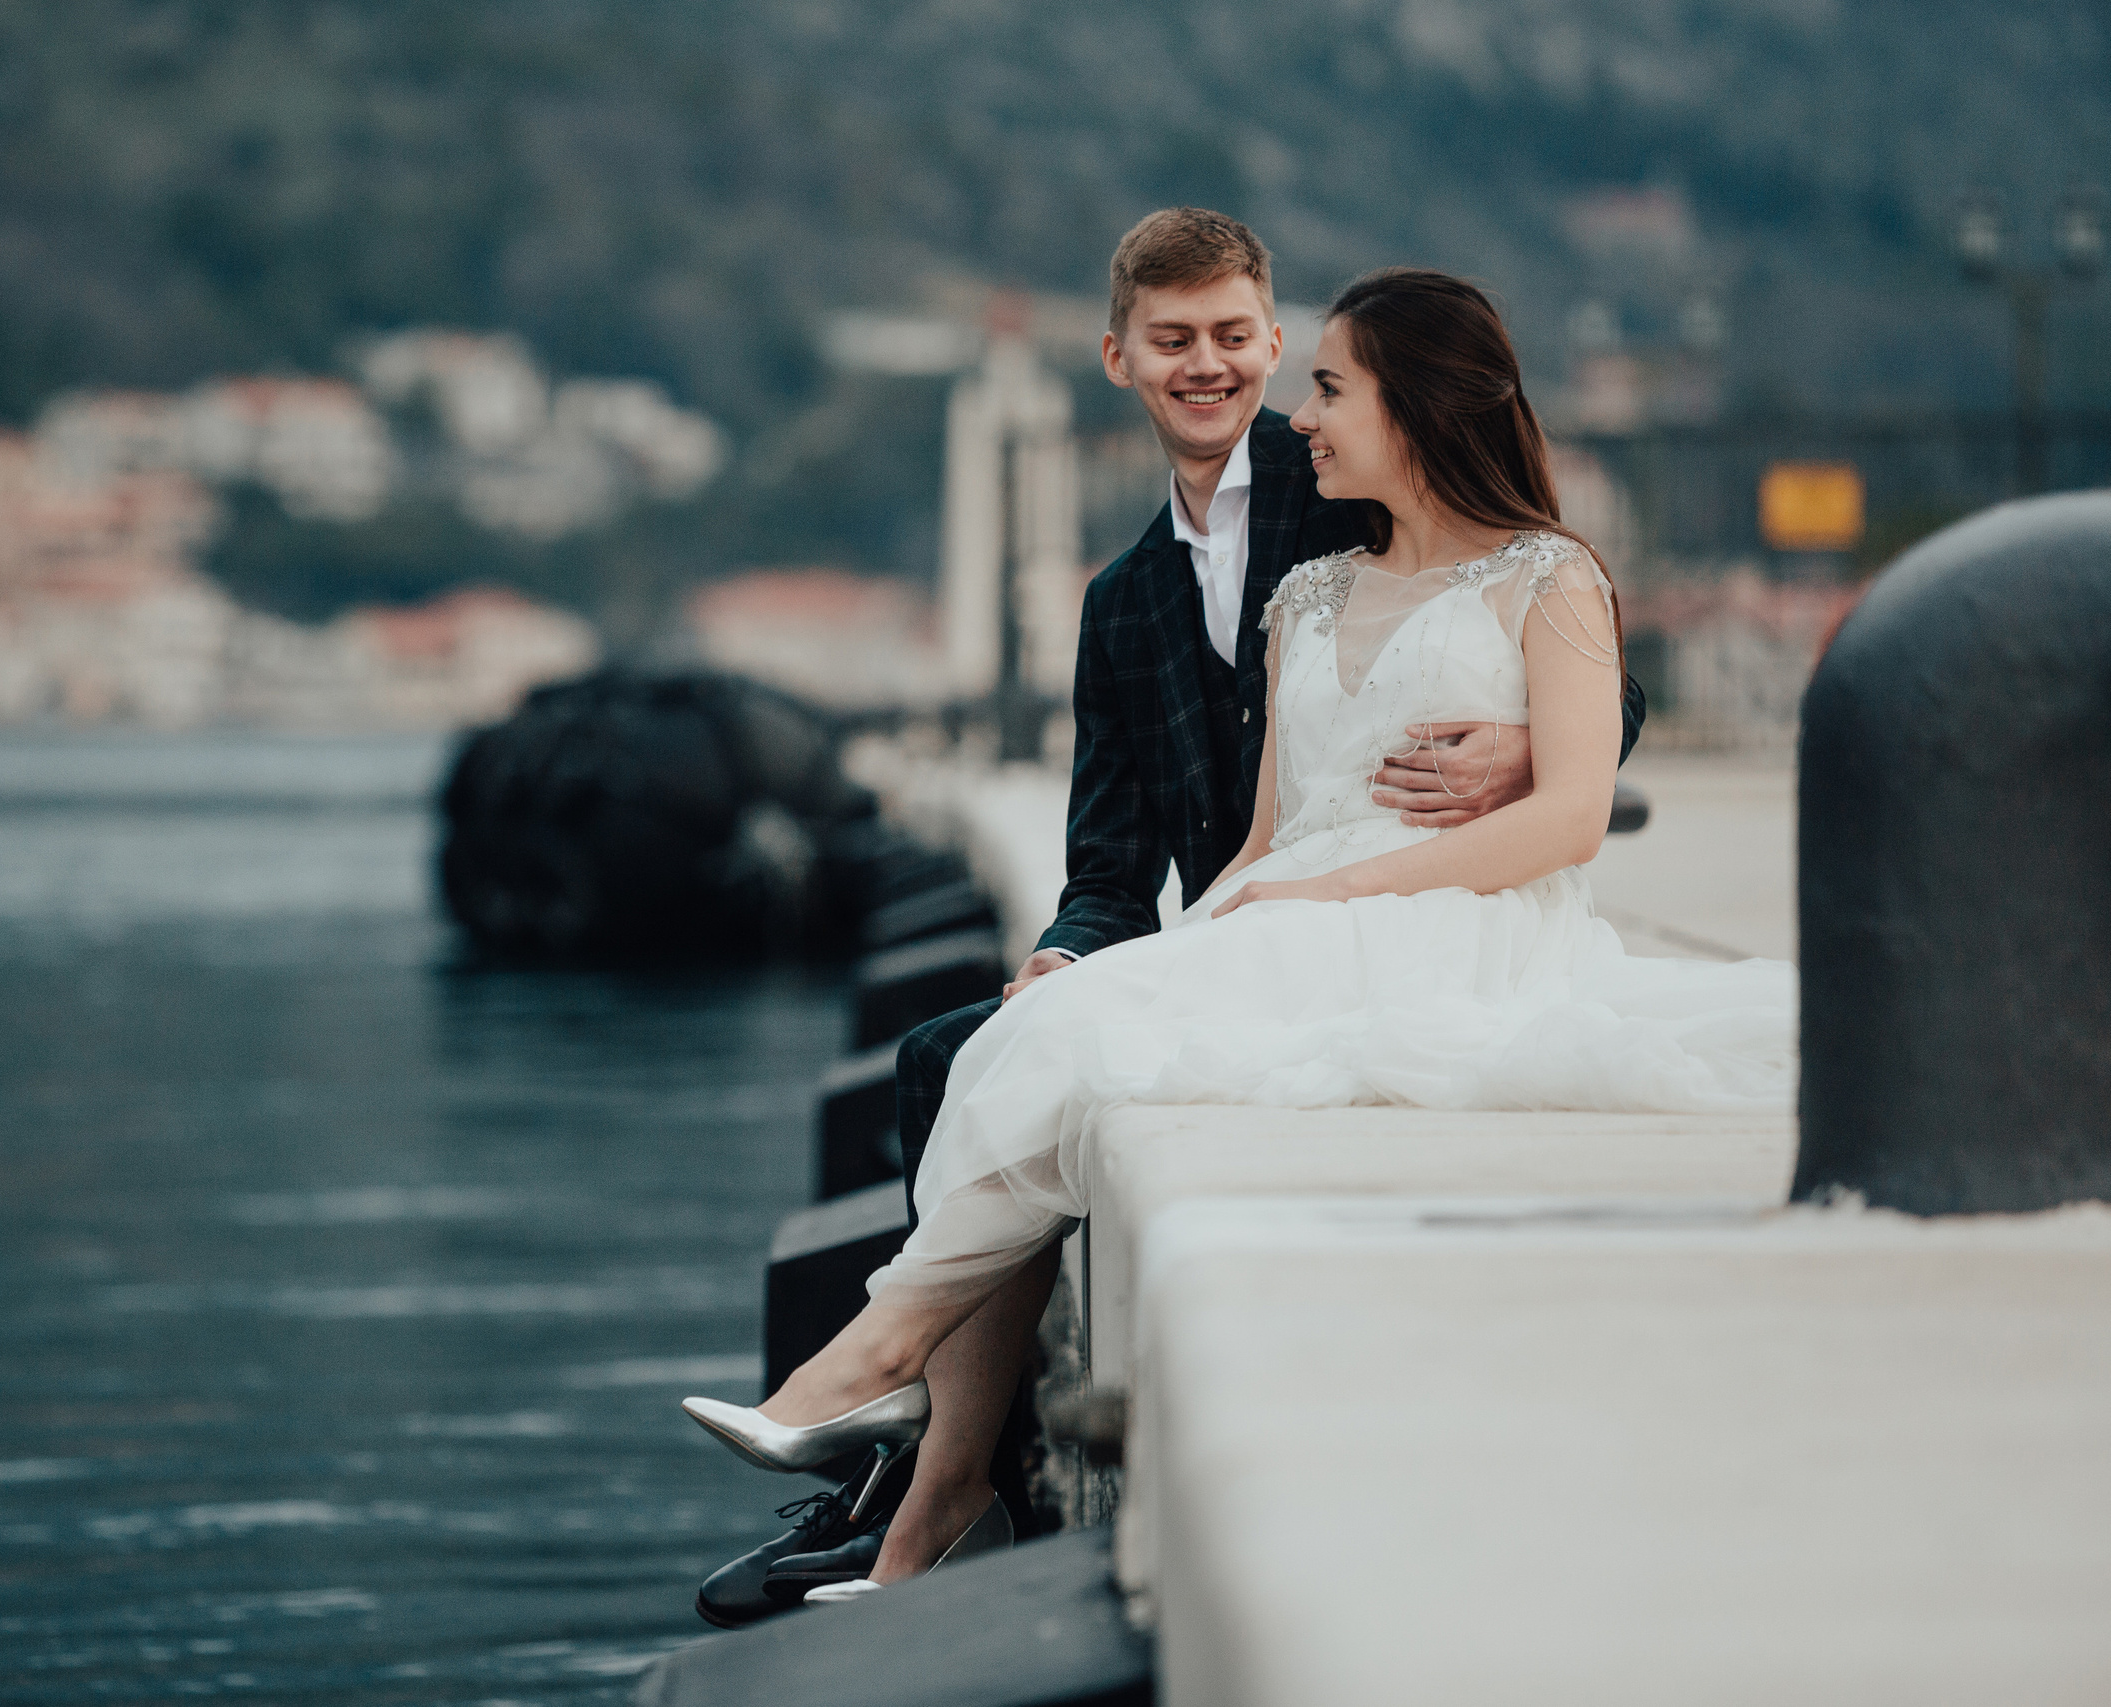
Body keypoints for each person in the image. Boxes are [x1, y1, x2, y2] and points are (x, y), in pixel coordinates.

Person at [682, 253, 1794, 1602]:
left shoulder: (1465, 547)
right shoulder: (1224, 597)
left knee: (1061, 1052)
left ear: (1298, 359)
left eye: (1277, 360)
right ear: (1121, 359)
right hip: (1280, 907)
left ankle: (877, 1386)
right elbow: (1183, 852)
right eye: (1171, 340)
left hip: (1436, 918)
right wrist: (1113, 949)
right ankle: (918, 1493)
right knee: (1020, 1033)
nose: (1243, 383)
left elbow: (1578, 772)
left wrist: (1506, 758)